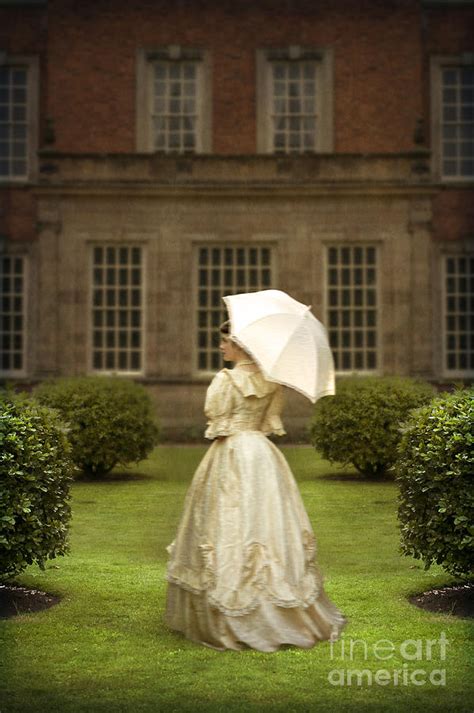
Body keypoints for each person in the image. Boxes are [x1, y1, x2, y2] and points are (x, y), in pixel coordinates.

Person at [164, 321, 348, 652]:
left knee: (229, 520)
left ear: (239, 345)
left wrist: (231, 427)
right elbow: (267, 423)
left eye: (225, 342)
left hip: (232, 453)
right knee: (265, 519)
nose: (221, 348)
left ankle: (230, 612)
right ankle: (274, 608)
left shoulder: (225, 380)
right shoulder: (271, 384)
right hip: (262, 456)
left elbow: (217, 422)